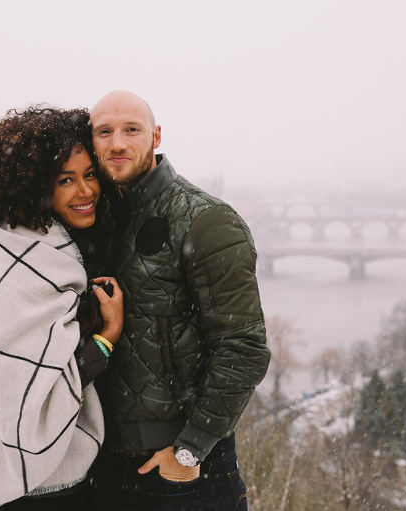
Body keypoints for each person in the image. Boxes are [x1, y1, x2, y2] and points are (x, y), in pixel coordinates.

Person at [88, 90, 271, 511]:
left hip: (182, 473)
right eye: (104, 132)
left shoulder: (207, 221)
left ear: (155, 136)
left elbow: (243, 347)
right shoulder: (94, 219)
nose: (117, 143)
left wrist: (190, 449)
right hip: (103, 465)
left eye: (131, 130)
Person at [0, 106, 124, 510]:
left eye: (90, 174)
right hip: (34, 489)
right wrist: (107, 337)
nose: (86, 191)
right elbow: (36, 392)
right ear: (35, 188)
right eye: (66, 180)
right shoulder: (30, 257)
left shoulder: (11, 239)